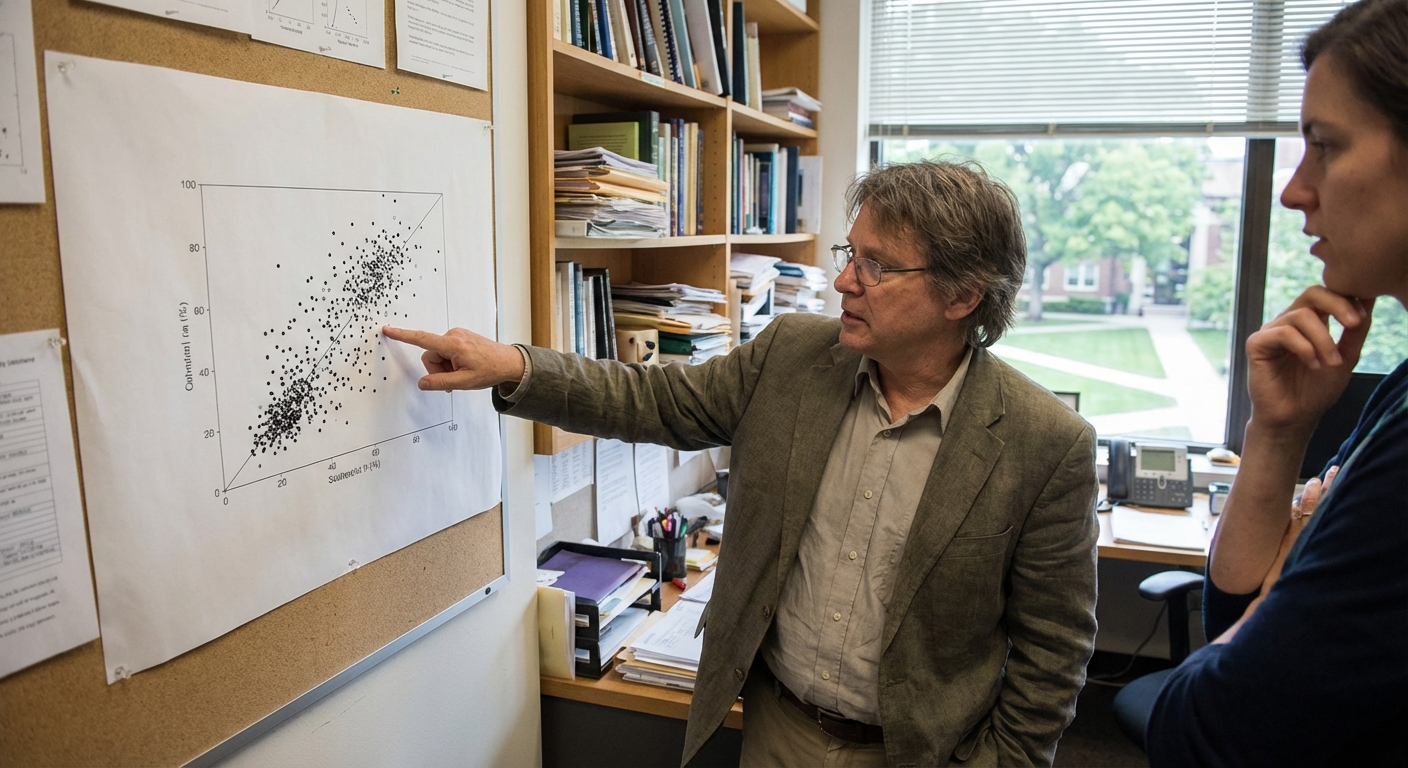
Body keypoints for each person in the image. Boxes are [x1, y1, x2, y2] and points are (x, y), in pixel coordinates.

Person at [384, 160, 1100, 767]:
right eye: (849, 255)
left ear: (963, 296)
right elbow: (650, 400)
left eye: (875, 266)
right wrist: (512, 364)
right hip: (776, 730)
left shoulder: (1044, 443)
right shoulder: (791, 356)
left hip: (924, 752)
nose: (845, 281)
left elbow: (1053, 657)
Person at [1146, 1, 1408, 764]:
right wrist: (1278, 431)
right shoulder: (1397, 392)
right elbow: (1231, 602)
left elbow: (1198, 730)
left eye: (1323, 146)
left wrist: (1277, 593)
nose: (1294, 190)